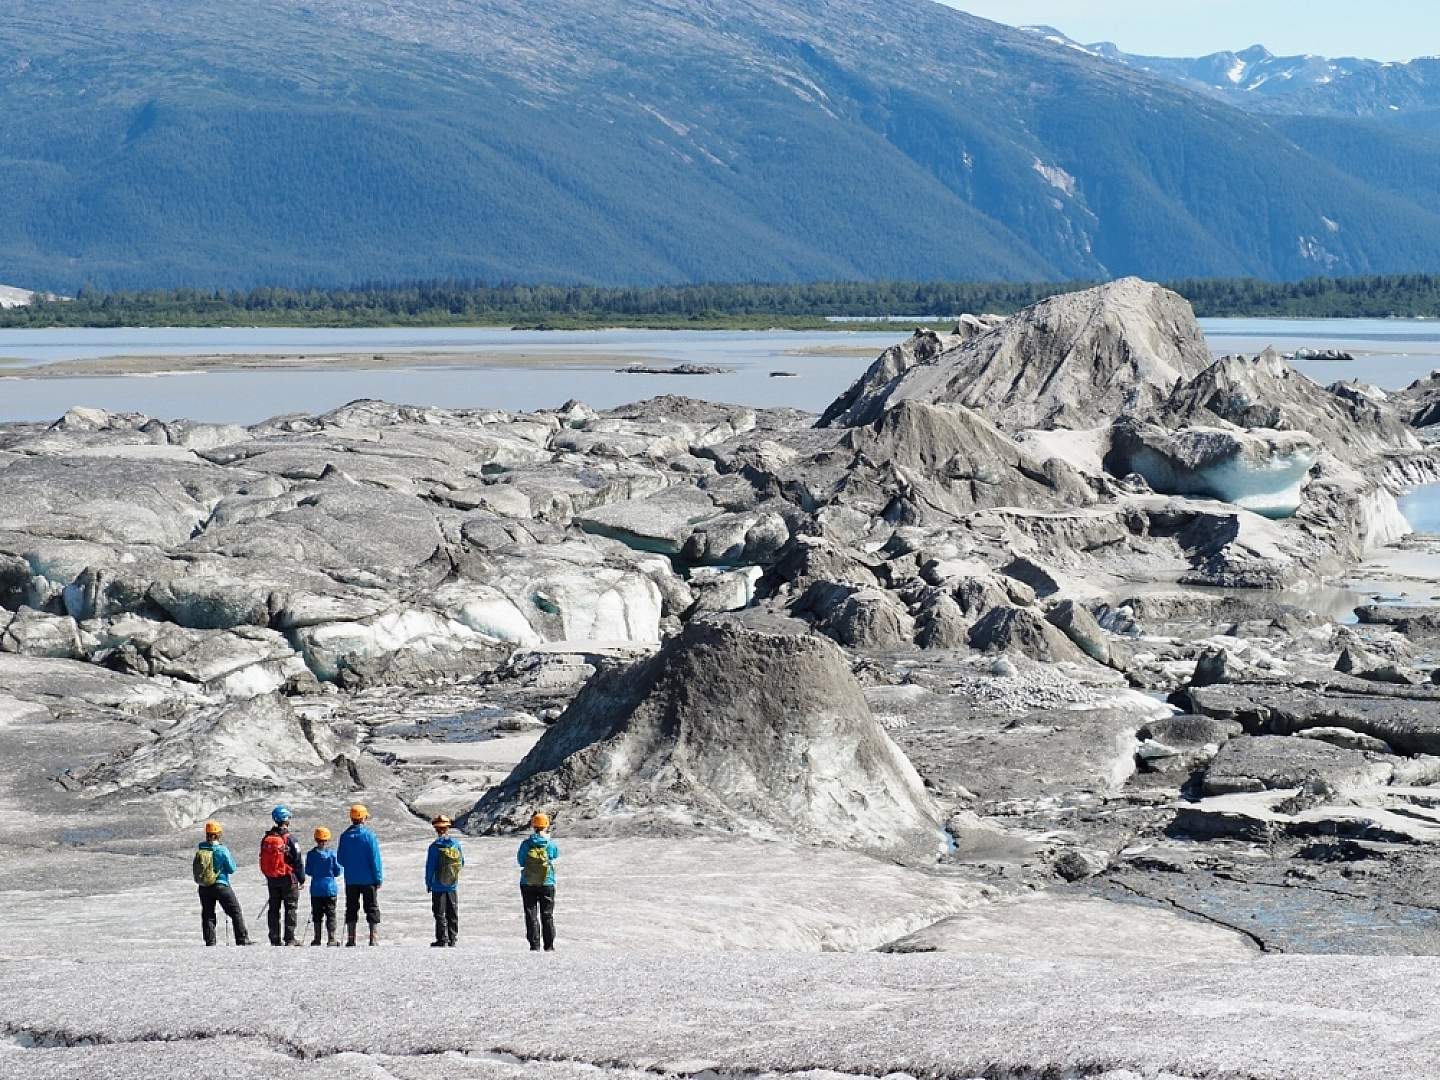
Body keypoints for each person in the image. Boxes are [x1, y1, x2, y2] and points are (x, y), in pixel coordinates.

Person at [193, 819, 252, 946]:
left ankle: (210, 941)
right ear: (218, 834)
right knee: (235, 912)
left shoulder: (201, 848)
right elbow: (231, 869)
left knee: (208, 914)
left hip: (204, 886)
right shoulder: (222, 850)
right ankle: (242, 939)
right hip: (221, 884)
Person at [259, 804, 306, 947]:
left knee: (274, 908)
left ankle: (274, 938)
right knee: (290, 907)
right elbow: (297, 860)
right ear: (286, 820)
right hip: (288, 878)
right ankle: (290, 938)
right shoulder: (290, 839)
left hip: (272, 879)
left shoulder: (266, 838)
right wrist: (301, 878)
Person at [337, 803, 383, 946]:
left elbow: (340, 859)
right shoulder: (369, 836)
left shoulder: (344, 836)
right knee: (372, 907)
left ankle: (351, 939)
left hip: (351, 880)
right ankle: (373, 939)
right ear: (363, 818)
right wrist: (378, 877)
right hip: (368, 879)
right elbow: (375, 859)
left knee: (351, 907)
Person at [517, 812, 559, 952]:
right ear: (546, 826)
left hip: (527, 883)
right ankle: (549, 946)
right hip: (547, 882)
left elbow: (521, 861)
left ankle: (534, 945)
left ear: (533, 826)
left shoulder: (526, 844)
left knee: (531, 914)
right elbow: (555, 856)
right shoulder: (550, 844)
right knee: (547, 914)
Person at [425, 814, 465, 947]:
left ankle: (442, 939)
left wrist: (429, 883)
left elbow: (430, 867)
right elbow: (462, 862)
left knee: (439, 913)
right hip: (452, 885)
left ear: (436, 829)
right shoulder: (456, 845)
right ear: (448, 828)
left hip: (438, 885)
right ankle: (453, 938)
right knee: (452, 911)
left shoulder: (434, 847)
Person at [304, 826, 342, 946]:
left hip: (316, 889)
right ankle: (331, 939)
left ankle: (317, 939)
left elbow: (308, 871)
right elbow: (337, 871)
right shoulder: (332, 855)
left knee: (317, 915)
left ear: (316, 838)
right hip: (330, 888)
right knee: (331, 914)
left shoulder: (311, 854)